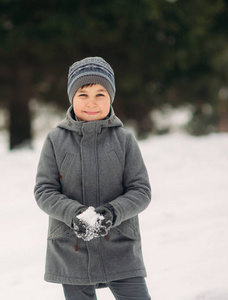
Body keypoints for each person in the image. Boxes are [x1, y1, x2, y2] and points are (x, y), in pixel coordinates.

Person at [34, 57, 152, 300]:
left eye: (100, 94)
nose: (92, 103)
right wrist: (74, 214)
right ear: (71, 98)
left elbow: (140, 190)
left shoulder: (124, 140)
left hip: (119, 245)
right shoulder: (55, 140)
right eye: (83, 94)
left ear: (111, 98)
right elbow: (45, 190)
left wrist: (111, 212)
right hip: (72, 247)